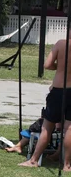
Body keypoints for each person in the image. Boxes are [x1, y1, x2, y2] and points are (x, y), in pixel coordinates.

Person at [20, 39, 71, 169]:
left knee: (47, 127)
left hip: (59, 89)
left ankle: (34, 160)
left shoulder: (61, 43)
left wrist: (59, 66)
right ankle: (67, 165)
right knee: (69, 128)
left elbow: (47, 65)